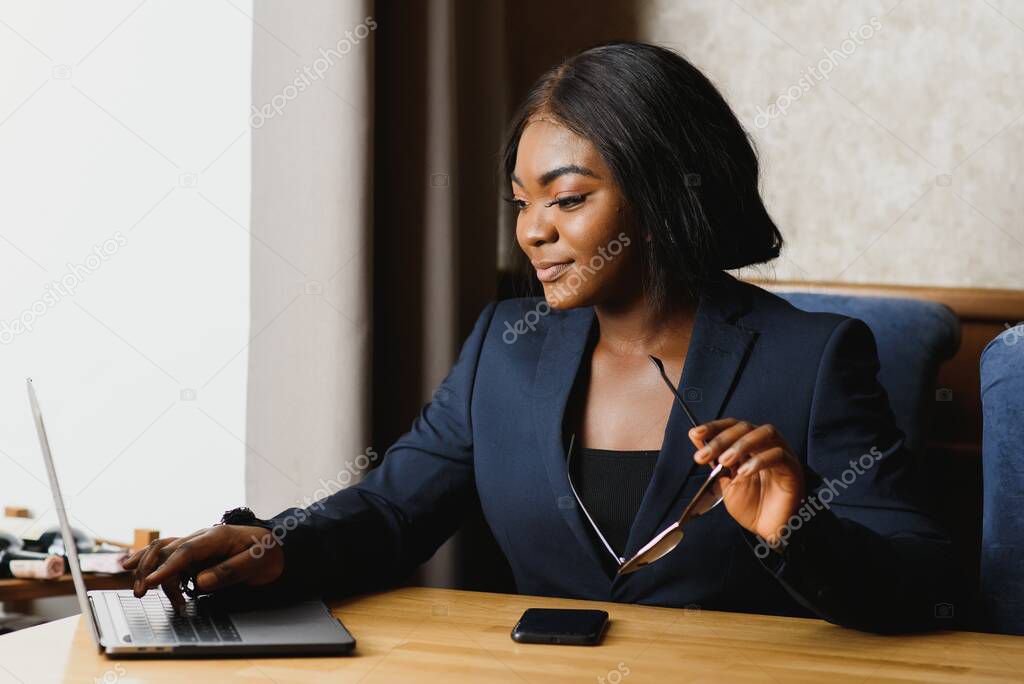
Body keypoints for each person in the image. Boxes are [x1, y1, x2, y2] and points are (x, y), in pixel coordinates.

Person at [124, 41, 958, 633]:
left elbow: (928, 586)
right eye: (520, 203)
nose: (532, 233)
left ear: (666, 196)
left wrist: (793, 520)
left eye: (566, 199)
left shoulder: (812, 359)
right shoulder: (506, 346)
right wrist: (275, 546)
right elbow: (387, 513)